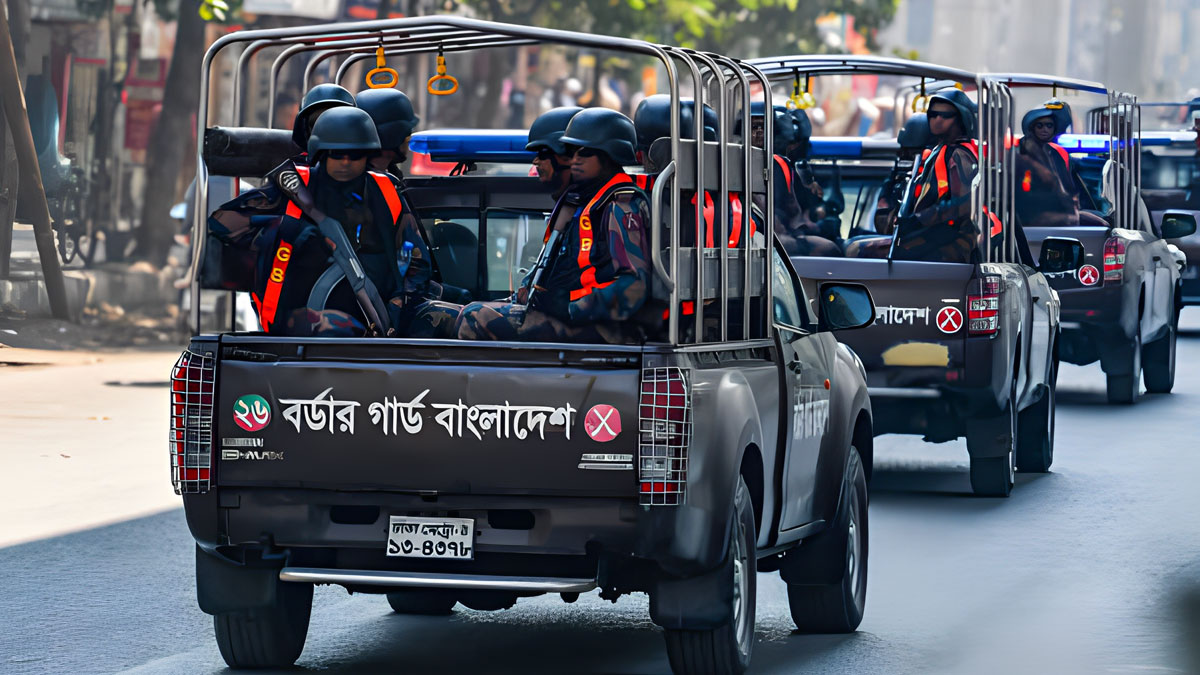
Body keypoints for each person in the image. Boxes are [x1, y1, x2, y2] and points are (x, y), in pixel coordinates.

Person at [208, 107, 443, 337]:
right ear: (321, 153)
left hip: (385, 317)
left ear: (368, 155)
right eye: (336, 154)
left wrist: (401, 304)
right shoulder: (294, 188)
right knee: (341, 329)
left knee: (476, 317)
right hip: (306, 319)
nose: (345, 162)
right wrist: (284, 227)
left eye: (355, 155)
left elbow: (416, 262)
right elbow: (221, 224)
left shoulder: (386, 190)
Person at [456, 108, 652, 344]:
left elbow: (633, 288)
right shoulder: (582, 202)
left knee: (475, 317)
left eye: (582, 154)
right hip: (580, 323)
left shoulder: (621, 204)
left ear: (608, 156)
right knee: (461, 312)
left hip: (604, 330)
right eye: (570, 153)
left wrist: (569, 307)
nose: (574, 161)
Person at [356, 87, 463, 334]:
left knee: (462, 297)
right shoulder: (370, 187)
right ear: (392, 133)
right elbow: (411, 261)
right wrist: (397, 311)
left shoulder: (389, 179)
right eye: (406, 131)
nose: (410, 136)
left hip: (398, 293)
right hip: (387, 302)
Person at [892, 87, 981, 264]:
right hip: (932, 238)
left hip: (952, 244)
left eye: (945, 115)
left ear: (961, 118)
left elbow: (964, 205)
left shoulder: (958, 154)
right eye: (933, 114)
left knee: (859, 251)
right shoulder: (938, 150)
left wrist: (918, 220)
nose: (937, 119)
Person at [1015, 104, 1080, 235]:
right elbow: (1024, 194)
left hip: (1059, 209)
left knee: (1101, 221)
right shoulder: (1021, 152)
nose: (1045, 129)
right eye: (1040, 126)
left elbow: (1069, 187)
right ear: (1032, 127)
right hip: (1032, 214)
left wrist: (1071, 201)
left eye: (1049, 126)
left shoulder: (1055, 153)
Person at [290, 83, 356, 161]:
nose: (327, 132)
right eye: (316, 124)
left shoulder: (361, 167)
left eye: (336, 124)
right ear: (305, 131)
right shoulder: (292, 171)